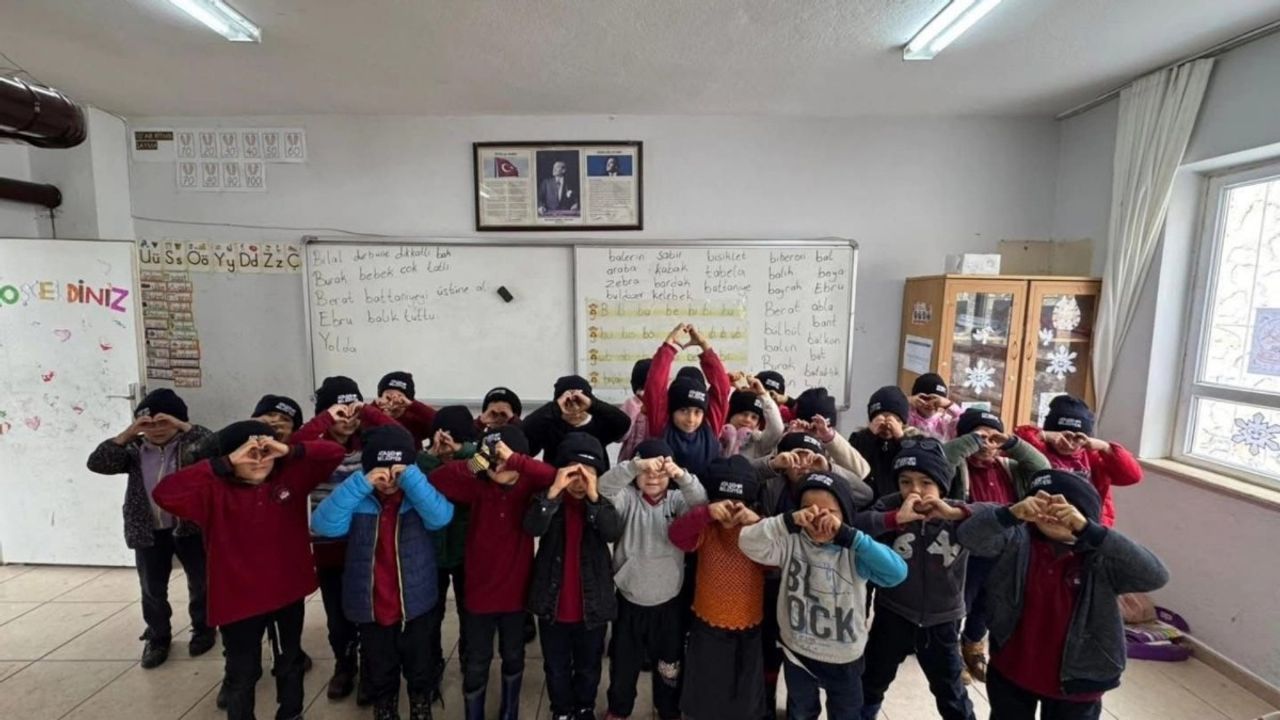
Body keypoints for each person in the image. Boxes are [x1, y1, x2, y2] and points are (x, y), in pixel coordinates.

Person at [152, 420, 344, 720]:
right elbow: (165, 493)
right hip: (238, 598)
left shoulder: (290, 480)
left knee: (290, 661)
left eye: (265, 453)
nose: (258, 461)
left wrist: (288, 450)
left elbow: (333, 453)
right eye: (248, 454)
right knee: (242, 670)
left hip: (286, 592)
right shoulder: (212, 492)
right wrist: (223, 463)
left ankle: (291, 713)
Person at [958, 470, 1170, 719]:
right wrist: (1010, 514)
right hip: (1012, 668)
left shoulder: (1102, 556)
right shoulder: (1015, 540)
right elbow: (968, 536)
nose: (1052, 513)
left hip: (1079, 679)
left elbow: (1155, 575)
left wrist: (1090, 531)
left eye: (1065, 507)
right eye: (1042, 503)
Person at [312, 426, 454, 720]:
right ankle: (385, 705)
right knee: (380, 662)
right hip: (371, 600)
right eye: (381, 470)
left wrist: (411, 478)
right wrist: (361, 483)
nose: (389, 479)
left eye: (397, 471)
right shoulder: (358, 496)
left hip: (415, 598)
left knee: (419, 659)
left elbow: (441, 517)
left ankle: (420, 702)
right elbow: (324, 524)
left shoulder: (417, 493)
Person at [739, 472, 908, 720]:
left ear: (845, 516)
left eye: (830, 512)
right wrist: (786, 521)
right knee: (801, 711)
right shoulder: (791, 542)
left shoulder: (854, 550)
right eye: (808, 510)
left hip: (844, 657)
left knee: (846, 712)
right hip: (798, 651)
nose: (818, 519)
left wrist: (853, 537)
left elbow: (896, 573)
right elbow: (747, 542)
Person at [425, 424, 556, 720]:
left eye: (504, 460)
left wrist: (515, 459)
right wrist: (476, 461)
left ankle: (510, 711)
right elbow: (437, 479)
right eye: (492, 460)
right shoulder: (477, 486)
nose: (498, 466)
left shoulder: (528, 485)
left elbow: (552, 475)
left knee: (513, 654)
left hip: (516, 591)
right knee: (477, 659)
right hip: (479, 592)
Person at [86, 388, 214, 669]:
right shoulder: (133, 451)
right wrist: (128, 434)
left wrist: (184, 426)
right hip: (148, 529)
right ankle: (157, 637)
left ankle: (204, 628)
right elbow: (97, 463)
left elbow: (217, 447)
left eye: (164, 422)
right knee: (152, 587)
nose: (156, 429)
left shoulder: (193, 447)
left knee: (201, 581)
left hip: (189, 526)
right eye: (148, 423)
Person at [293, 376, 400, 703]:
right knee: (338, 619)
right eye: (340, 412)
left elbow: (401, 437)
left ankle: (369, 669)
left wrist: (368, 411)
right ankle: (345, 664)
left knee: (367, 615)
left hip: (367, 547)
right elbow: (292, 446)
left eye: (353, 411)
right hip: (330, 548)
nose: (348, 419)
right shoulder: (314, 447)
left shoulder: (370, 442)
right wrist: (325, 418)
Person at [855, 437, 979, 720]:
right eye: (905, 482)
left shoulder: (957, 513)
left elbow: (996, 520)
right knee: (873, 680)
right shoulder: (890, 507)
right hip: (893, 612)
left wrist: (957, 513)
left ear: (942, 486)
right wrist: (893, 519)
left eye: (926, 482)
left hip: (943, 619)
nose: (915, 490)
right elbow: (855, 527)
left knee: (951, 690)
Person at [599, 440, 707, 720]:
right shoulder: (627, 499)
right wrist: (635, 465)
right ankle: (619, 708)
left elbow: (701, 503)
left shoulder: (677, 501)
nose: (653, 479)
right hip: (629, 601)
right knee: (623, 664)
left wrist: (680, 475)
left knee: (669, 665)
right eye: (646, 472)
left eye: (660, 474)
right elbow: (603, 489)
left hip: (668, 603)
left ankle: (667, 708)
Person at [524, 433, 624, 720]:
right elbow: (532, 527)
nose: (580, 482)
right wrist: (554, 492)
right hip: (552, 604)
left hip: (591, 607)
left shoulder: (602, 504)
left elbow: (611, 531)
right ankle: (561, 709)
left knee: (589, 665)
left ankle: (584, 706)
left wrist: (594, 497)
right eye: (572, 473)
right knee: (555, 666)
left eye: (588, 474)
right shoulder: (548, 501)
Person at [947, 409, 1050, 684]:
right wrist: (970, 442)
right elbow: (941, 459)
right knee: (960, 602)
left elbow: (1043, 467)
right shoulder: (958, 466)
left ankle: (973, 645)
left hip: (1007, 550)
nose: (987, 443)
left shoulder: (1010, 467)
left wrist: (1012, 443)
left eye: (994, 437)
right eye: (979, 437)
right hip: (968, 548)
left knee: (988, 603)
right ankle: (951, 652)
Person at [668, 456, 769, 720]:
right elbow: (676, 535)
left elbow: (776, 558)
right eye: (722, 503)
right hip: (707, 623)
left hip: (748, 624)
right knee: (706, 689)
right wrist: (706, 513)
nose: (729, 511)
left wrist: (757, 522)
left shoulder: (756, 532)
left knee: (744, 693)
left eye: (737, 504)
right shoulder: (707, 529)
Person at [416, 406, 481, 702]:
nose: (445, 443)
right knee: (431, 615)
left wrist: (460, 451)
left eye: (454, 438)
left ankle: (470, 659)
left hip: (467, 550)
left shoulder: (476, 460)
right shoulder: (421, 462)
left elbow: (479, 464)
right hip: (430, 553)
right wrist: (433, 455)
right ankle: (432, 666)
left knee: (470, 612)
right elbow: (422, 483)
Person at [1013, 395, 1141, 527]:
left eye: (1077, 438)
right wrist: (1044, 435)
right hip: (1042, 521)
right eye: (1063, 436)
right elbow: (1014, 443)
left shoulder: (1094, 458)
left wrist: (1106, 447)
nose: (1069, 443)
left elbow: (1132, 476)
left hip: (1086, 523)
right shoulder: (1038, 449)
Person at [643, 323, 732, 478]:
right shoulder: (661, 426)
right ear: (672, 410)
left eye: (697, 412)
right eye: (683, 410)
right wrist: (668, 346)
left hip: (703, 492)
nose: (691, 419)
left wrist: (704, 345)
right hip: (668, 492)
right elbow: (655, 385)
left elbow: (722, 388)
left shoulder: (711, 426)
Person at [850, 385, 966, 501]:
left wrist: (901, 438)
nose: (886, 425)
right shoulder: (859, 438)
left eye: (896, 420)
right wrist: (869, 435)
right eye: (879, 418)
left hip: (904, 498)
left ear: (903, 422)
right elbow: (853, 463)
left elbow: (918, 463)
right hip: (869, 501)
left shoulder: (916, 440)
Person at [522, 374, 632, 462]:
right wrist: (555, 408)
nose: (575, 408)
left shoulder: (598, 423)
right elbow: (525, 431)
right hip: (556, 480)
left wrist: (593, 404)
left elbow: (623, 423)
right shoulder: (550, 425)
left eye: (580, 402)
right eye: (567, 403)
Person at [720, 375, 785, 458]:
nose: (748, 420)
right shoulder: (717, 434)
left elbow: (777, 428)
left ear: (758, 423)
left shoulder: (758, 443)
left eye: (754, 417)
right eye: (744, 414)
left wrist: (763, 394)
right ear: (731, 414)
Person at [375, 371, 437, 447]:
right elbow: (362, 421)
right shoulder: (374, 415)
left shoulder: (414, 417)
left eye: (399, 396)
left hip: (412, 454)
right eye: (388, 397)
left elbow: (441, 422)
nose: (393, 401)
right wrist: (376, 405)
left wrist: (413, 405)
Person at [907, 373, 963, 440]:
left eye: (936, 401)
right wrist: (906, 401)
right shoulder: (907, 416)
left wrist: (949, 404)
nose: (931, 404)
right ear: (915, 398)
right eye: (925, 398)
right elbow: (895, 411)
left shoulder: (946, 421)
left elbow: (965, 421)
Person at [617, 359, 652, 462]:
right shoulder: (631, 404)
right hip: (629, 462)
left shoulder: (661, 406)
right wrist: (634, 407)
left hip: (653, 462)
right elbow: (619, 437)